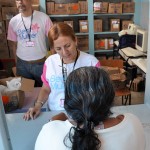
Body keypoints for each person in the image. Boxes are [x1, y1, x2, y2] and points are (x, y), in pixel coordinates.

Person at [35, 66, 145, 150]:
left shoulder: (49, 133)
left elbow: (52, 126)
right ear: (111, 99)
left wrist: (54, 122)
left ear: (68, 102)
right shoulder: (133, 123)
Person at [23, 22, 100, 120]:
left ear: (75, 40)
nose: (64, 52)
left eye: (67, 46)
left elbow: (98, 94)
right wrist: (38, 106)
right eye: (58, 48)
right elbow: (46, 88)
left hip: (83, 115)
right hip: (55, 113)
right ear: (53, 49)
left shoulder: (91, 63)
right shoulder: (50, 62)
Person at [7, 0, 53, 87]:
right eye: (17, 0)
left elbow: (53, 41)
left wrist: (53, 62)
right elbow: (14, 45)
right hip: (22, 66)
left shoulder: (44, 18)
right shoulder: (13, 21)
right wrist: (17, 64)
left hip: (41, 64)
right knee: (27, 91)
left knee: (45, 90)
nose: (20, 2)